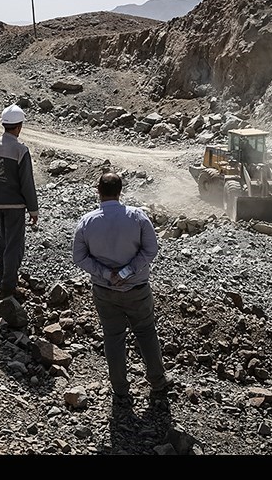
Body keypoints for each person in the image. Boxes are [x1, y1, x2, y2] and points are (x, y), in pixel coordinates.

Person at [72, 172, 173, 403]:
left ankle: (120, 389)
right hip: (137, 289)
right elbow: (150, 250)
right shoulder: (137, 217)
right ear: (120, 191)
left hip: (104, 291)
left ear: (98, 191)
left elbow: (79, 257)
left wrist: (107, 274)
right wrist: (127, 272)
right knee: (146, 332)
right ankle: (157, 381)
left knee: (113, 337)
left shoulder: (87, 222)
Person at [0, 103, 39, 299]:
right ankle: (7, 286)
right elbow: (27, 183)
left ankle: (3, 276)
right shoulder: (20, 150)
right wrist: (33, 209)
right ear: (19, 126)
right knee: (14, 244)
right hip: (14, 205)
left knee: (1, 239)